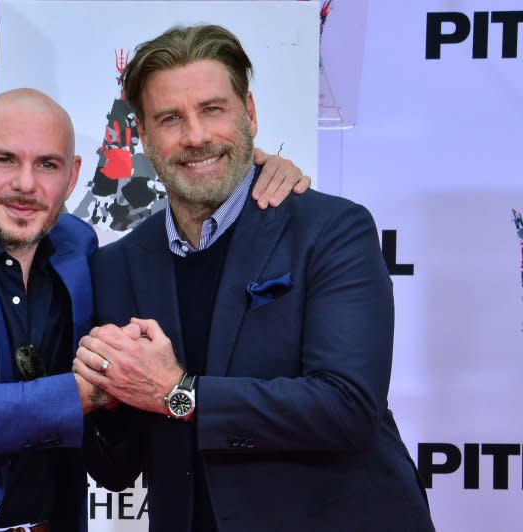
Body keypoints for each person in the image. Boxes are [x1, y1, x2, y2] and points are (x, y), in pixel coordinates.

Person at [0, 88, 307, 531]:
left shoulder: (78, 248)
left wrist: (253, 170)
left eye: (47, 165)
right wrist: (87, 392)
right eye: (4, 160)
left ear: (74, 174)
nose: (25, 184)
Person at [75, 25, 435, 532]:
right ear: (143, 135)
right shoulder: (117, 265)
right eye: (171, 118)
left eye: (212, 109)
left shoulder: (331, 230)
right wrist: (101, 397)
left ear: (250, 112)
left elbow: (348, 409)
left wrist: (178, 392)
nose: (196, 135)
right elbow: (116, 469)